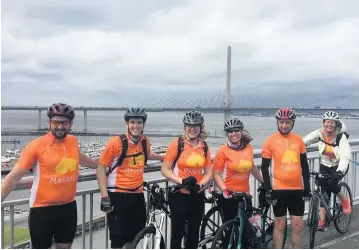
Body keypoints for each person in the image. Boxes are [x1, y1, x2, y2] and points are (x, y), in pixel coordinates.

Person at [1, 103, 98, 249]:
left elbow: (79, 156)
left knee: (65, 247)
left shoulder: (72, 141)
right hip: (42, 210)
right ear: (49, 123)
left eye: (64, 122)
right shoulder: (36, 146)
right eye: (56, 122)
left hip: (68, 207)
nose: (60, 126)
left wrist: (100, 166)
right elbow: (14, 177)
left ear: (70, 124)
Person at [96, 107, 164, 249]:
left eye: (139, 122)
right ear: (126, 124)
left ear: (143, 124)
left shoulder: (145, 141)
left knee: (134, 238)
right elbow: (101, 168)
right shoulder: (116, 142)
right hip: (117, 196)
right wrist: (104, 197)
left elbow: (148, 155)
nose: (136, 126)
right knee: (117, 241)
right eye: (132, 122)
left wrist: (166, 158)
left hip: (137, 196)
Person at [161, 110, 213, 249]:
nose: (192, 128)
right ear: (184, 127)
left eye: (196, 125)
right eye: (189, 125)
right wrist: (181, 181)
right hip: (178, 194)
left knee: (194, 233)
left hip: (196, 194)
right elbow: (165, 169)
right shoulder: (177, 144)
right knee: (177, 233)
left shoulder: (205, 147)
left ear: (200, 127)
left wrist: (200, 184)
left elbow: (209, 172)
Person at [261, 107, 311, 249]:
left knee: (297, 225)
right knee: (280, 225)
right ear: (277, 122)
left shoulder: (298, 140)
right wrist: (268, 189)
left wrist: (307, 187)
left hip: (296, 189)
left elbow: (305, 166)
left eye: (287, 122)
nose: (284, 125)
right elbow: (264, 168)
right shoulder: (270, 141)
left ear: (292, 123)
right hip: (279, 190)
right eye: (281, 122)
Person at [213, 116, 263, 248]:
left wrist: (264, 182)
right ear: (227, 134)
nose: (233, 133)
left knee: (246, 232)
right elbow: (215, 174)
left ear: (241, 132)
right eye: (230, 131)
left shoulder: (248, 148)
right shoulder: (222, 151)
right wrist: (224, 189)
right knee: (229, 232)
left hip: (244, 195)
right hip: (228, 195)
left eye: (236, 130)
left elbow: (251, 167)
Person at [303, 111, 352, 230]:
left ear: (336, 124)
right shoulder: (320, 133)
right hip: (325, 164)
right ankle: (322, 220)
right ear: (324, 123)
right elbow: (304, 141)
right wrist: (293, 150)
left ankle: (345, 201)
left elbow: (345, 156)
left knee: (333, 184)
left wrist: (340, 172)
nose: (329, 124)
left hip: (338, 165)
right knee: (323, 190)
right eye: (327, 122)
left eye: (332, 122)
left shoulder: (341, 137)